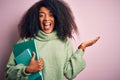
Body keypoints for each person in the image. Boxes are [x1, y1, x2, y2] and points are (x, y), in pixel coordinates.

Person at [5, 0, 100, 80]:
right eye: (41, 15)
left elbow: (69, 73)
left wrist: (81, 49)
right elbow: (9, 74)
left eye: (51, 15)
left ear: (58, 18)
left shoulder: (64, 42)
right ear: (36, 18)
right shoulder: (25, 41)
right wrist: (27, 70)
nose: (46, 19)